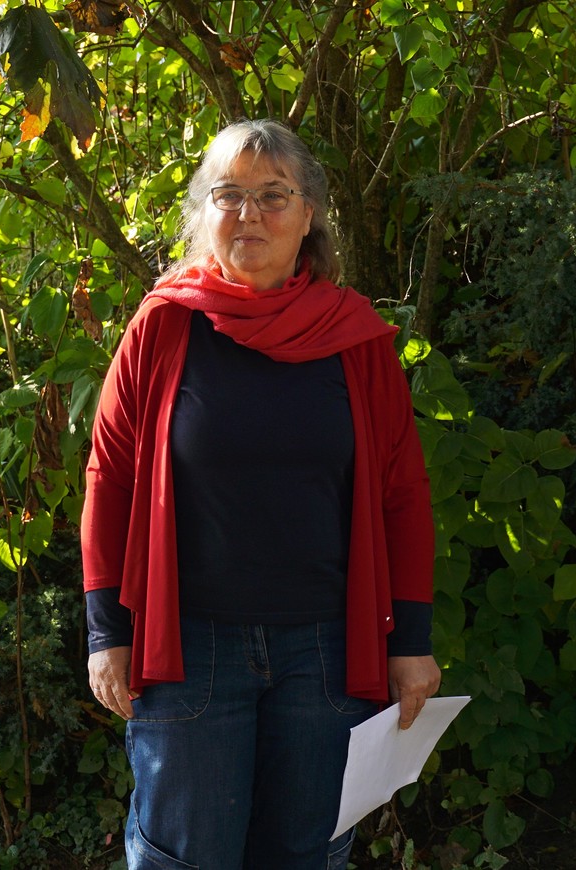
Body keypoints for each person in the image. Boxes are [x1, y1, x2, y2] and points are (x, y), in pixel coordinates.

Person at [80, 119, 441, 869]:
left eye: (273, 195)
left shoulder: (356, 339)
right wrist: (105, 633)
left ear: (308, 216)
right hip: (188, 651)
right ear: (203, 213)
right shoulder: (162, 328)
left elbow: (402, 495)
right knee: (186, 857)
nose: (249, 214)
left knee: (306, 856)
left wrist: (409, 642)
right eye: (229, 195)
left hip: (327, 652)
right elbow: (109, 479)